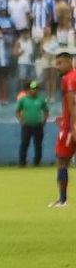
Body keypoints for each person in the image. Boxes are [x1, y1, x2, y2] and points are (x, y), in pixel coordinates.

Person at [51, 53, 76, 207]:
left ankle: (63, 200)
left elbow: (73, 103)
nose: (57, 67)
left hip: (68, 129)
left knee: (61, 161)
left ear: (68, 62)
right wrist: (64, 115)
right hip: (68, 123)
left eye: (60, 63)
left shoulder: (69, 79)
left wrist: (73, 125)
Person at [17, 81, 48, 168]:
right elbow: (17, 111)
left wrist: (44, 120)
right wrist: (21, 120)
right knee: (24, 143)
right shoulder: (23, 100)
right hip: (26, 126)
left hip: (38, 126)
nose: (35, 91)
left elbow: (46, 110)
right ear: (28, 90)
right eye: (33, 89)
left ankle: (37, 162)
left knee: (38, 145)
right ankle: (22, 162)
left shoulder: (41, 100)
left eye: (36, 89)